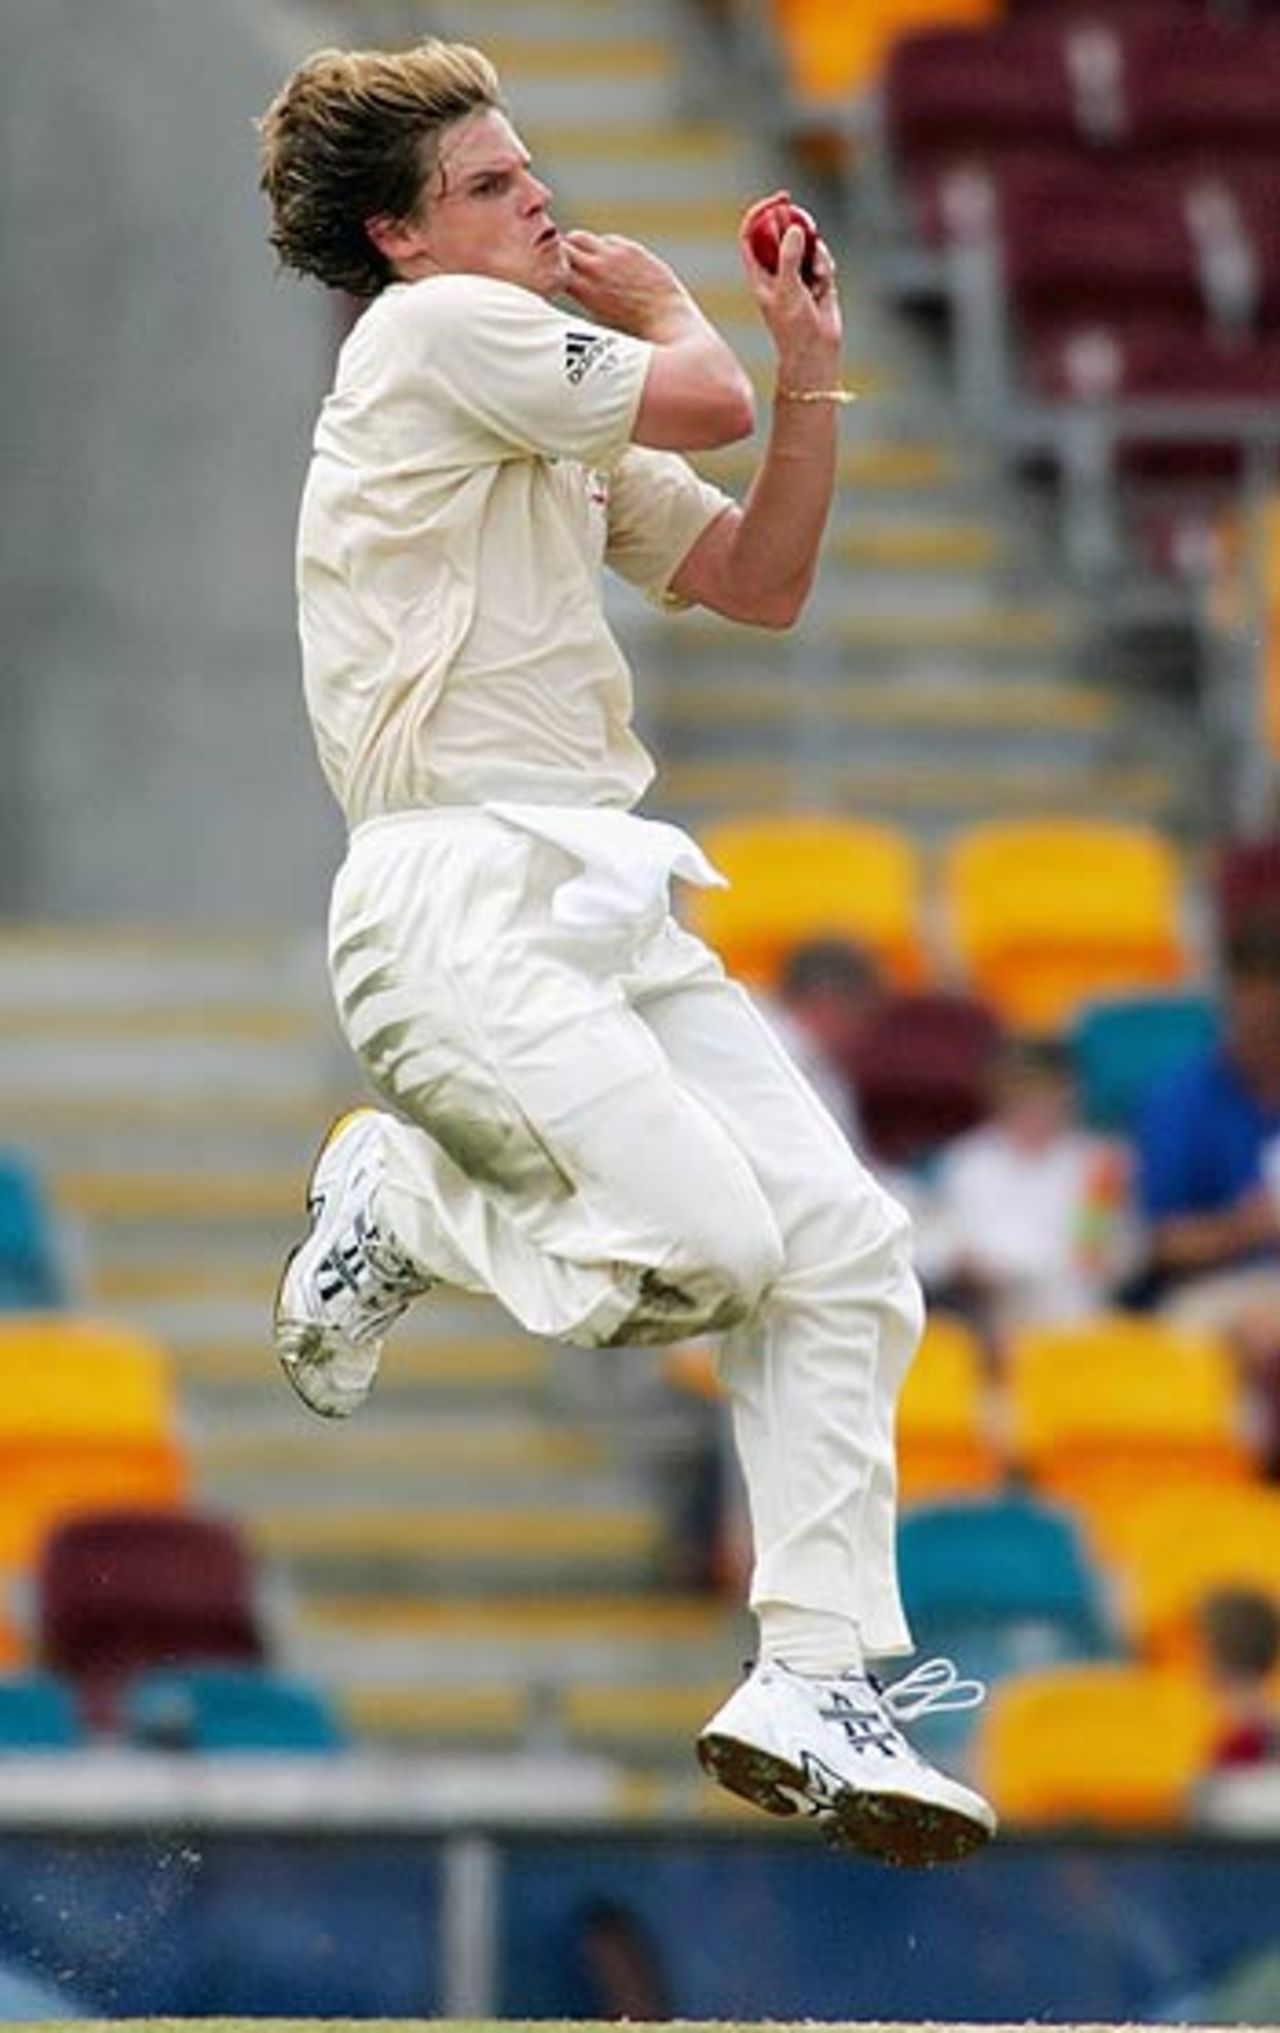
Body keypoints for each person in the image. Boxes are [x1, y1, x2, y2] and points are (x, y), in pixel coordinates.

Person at [256, 38, 993, 1864]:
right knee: (707, 1247)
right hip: (456, 886)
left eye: (531, 170)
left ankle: (815, 1670)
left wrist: (810, 367)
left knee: (844, 1252)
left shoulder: (525, 386)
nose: (541, 200)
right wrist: (690, 319)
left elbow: (759, 577)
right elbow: (699, 407)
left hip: (602, 887)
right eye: (495, 187)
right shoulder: (431, 338)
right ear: (400, 237)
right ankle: (397, 1200)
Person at [1136, 917, 1280, 1463]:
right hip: (1213, 1292)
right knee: (1250, 1333)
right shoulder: (1182, 1102)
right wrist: (1250, 1226)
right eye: (1260, 1008)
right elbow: (1164, 1244)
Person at [928, 1039, 1136, 1355]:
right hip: (992, 1320)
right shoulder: (967, 1163)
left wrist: (1103, 1257)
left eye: (1046, 1092)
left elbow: (1116, 1258)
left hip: (1079, 1322)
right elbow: (949, 1249)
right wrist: (968, 1268)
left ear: (1068, 1094)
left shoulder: (1099, 1164)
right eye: (1022, 1092)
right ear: (1000, 1095)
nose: (1035, 1105)